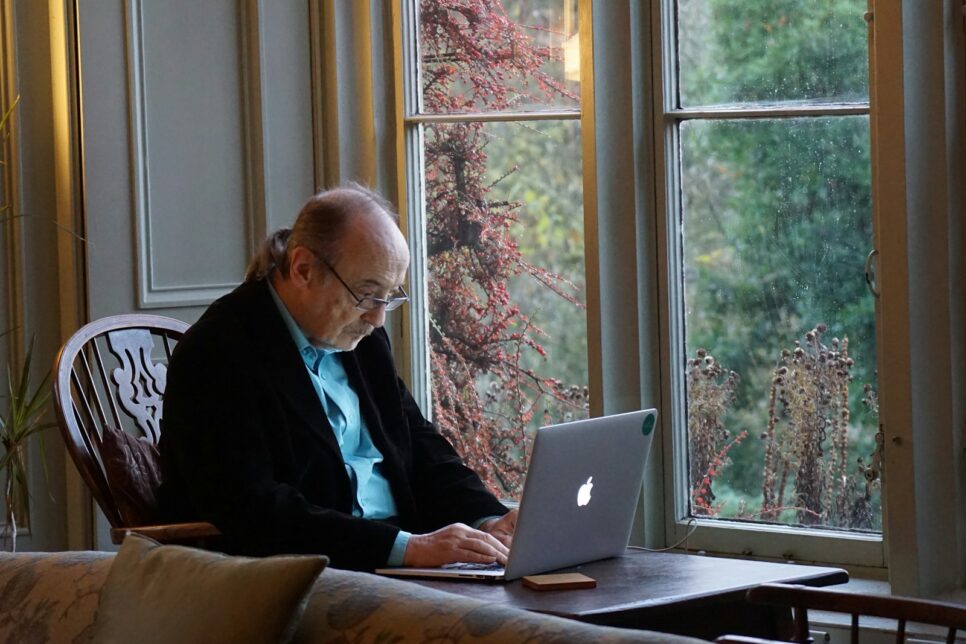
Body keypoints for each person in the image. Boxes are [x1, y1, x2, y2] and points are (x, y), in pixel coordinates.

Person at [159, 184, 517, 571]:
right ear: (303, 270)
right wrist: (406, 548)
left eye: (388, 297)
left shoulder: (361, 338)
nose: (378, 318)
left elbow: (417, 444)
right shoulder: (217, 353)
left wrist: (488, 519)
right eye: (366, 295)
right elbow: (254, 509)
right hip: (305, 575)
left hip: (402, 560)